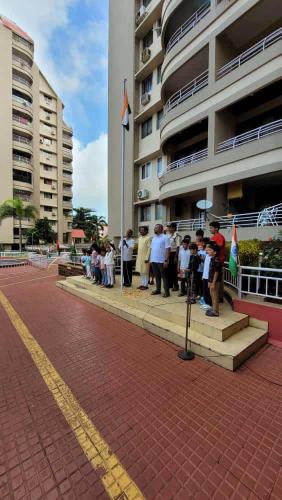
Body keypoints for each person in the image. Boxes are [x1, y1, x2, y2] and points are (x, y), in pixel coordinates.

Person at [150, 224, 171, 297]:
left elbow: (168, 249)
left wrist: (166, 260)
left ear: (161, 229)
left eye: (156, 228)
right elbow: (151, 249)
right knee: (157, 276)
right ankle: (158, 290)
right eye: (154, 228)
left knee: (164, 277)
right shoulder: (153, 238)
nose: (155, 229)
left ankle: (166, 292)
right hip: (154, 260)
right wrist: (150, 259)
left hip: (162, 260)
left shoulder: (165, 237)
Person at [210, 221, 226, 302]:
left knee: (218, 282)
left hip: (218, 262)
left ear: (216, 228)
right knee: (214, 281)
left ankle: (219, 298)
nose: (210, 229)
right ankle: (215, 299)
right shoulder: (213, 237)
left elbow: (218, 248)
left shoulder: (219, 237)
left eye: (211, 228)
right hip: (213, 262)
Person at [206, 242, 222, 317]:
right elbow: (210, 271)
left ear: (215, 252)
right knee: (211, 294)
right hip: (211, 280)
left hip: (215, 281)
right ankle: (213, 309)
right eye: (208, 250)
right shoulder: (212, 259)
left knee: (215, 296)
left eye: (209, 250)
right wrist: (209, 281)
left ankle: (216, 312)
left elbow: (216, 272)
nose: (207, 251)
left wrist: (213, 282)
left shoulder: (216, 260)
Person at [167, 222, 181, 291]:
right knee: (169, 270)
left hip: (174, 253)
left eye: (170, 227)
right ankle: (170, 284)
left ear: (174, 228)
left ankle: (176, 285)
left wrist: (176, 257)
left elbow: (178, 247)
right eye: (168, 227)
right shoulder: (168, 235)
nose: (169, 229)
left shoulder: (177, 235)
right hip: (168, 253)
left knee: (174, 271)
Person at [201, 242, 213, 310]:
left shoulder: (213, 258)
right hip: (205, 276)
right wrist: (203, 276)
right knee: (205, 291)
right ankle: (206, 303)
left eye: (208, 249)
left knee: (209, 292)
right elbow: (205, 267)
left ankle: (209, 304)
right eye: (206, 248)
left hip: (209, 278)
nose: (206, 249)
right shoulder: (207, 256)